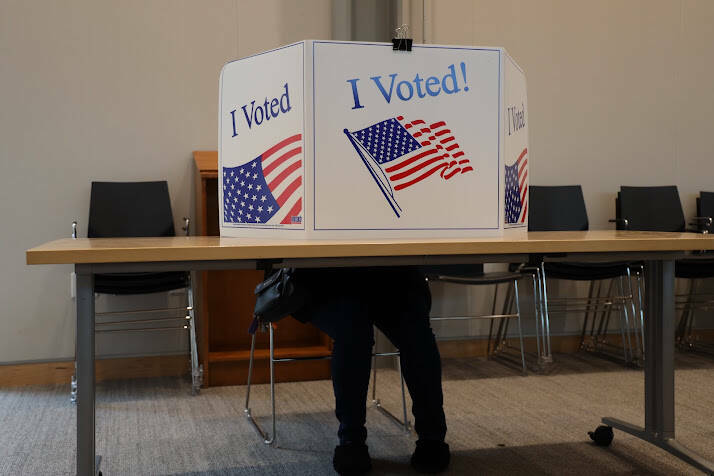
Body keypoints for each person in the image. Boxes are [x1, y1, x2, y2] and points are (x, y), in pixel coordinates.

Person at [293, 266, 450, 474]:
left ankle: (432, 438)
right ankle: (351, 440)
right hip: (326, 279)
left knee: (416, 332)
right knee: (352, 329)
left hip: (391, 275)